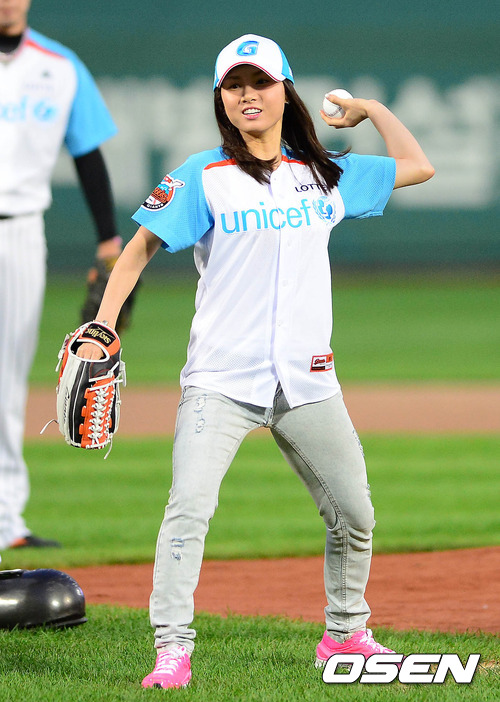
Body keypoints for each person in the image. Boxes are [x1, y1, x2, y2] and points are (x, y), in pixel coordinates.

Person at [77, 34, 434, 689]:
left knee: (354, 514)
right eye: (234, 85)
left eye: (261, 82)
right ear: (221, 99)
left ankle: (344, 635)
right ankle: (172, 650)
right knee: (188, 510)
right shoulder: (203, 175)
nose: (248, 95)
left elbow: (418, 166)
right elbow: (136, 252)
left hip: (308, 380)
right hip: (220, 379)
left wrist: (372, 110)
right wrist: (103, 324)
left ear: (284, 92)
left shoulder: (323, 173)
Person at [0, 0, 121, 550]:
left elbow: (88, 155)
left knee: (8, 375)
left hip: (21, 231)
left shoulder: (61, 67)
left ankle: (6, 520)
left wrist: (108, 239)